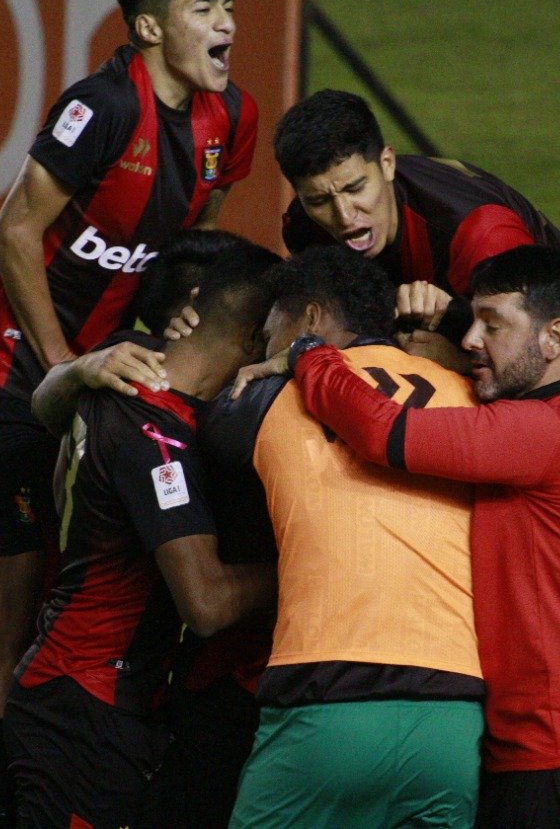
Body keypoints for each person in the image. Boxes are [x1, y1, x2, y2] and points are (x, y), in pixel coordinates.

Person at [0, 0, 257, 823]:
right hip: (2, 374)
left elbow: (188, 248)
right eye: (202, 8)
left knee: (45, 595)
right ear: (148, 27)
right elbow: (13, 229)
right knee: (8, 608)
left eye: (228, 5)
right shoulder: (105, 108)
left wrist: (174, 307)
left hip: (97, 371)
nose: (225, 21)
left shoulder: (231, 119)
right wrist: (65, 368)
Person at [283, 244, 560, 828]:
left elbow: (384, 433)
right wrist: (460, 323)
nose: (468, 340)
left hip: (559, 754)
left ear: (554, 338)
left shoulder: (539, 432)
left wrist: (312, 355)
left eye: (492, 326)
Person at [5, 236, 279, 828]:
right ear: (253, 337)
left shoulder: (124, 361)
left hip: (82, 687)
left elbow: (45, 409)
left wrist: (72, 370)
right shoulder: (157, 438)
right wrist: (316, 566)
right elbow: (206, 603)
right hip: (88, 700)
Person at [208, 246, 485, 828]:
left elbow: (195, 431)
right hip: (453, 718)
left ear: (309, 320)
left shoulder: (266, 396)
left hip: (325, 698)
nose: (261, 352)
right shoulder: (472, 397)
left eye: (269, 334)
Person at [274, 88, 560, 464]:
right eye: (319, 200)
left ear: (387, 163)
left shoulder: (479, 232)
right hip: (487, 344)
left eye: (356, 188)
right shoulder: (306, 230)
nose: (344, 216)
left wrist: (458, 358)